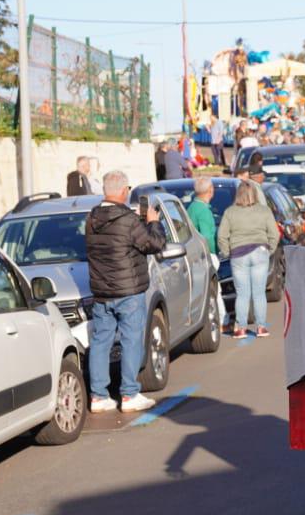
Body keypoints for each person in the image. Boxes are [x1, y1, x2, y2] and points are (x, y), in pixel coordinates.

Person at [84, 171, 167, 413]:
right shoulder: (128, 220)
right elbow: (155, 244)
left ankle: (99, 396)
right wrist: (152, 221)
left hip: (101, 292)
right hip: (128, 291)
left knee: (101, 342)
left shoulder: (91, 218)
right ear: (123, 191)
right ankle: (129, 393)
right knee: (131, 340)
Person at [218, 180, 278, 338]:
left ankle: (241, 328)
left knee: (242, 294)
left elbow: (222, 236)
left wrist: (227, 252)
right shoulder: (264, 211)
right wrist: (269, 250)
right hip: (260, 251)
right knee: (259, 293)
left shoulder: (230, 212)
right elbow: (274, 233)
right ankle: (261, 327)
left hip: (238, 254)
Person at [185, 175, 218, 251]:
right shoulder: (204, 211)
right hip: (204, 255)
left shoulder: (192, 207)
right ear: (210, 190)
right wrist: (212, 255)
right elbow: (207, 238)